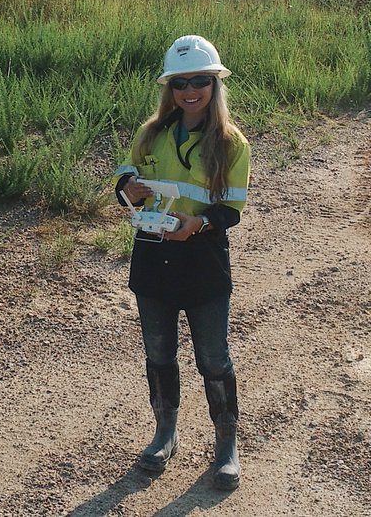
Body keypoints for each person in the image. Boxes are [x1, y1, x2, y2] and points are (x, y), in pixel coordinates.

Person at [114, 35, 250, 490]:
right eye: (180, 82)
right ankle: (165, 433)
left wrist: (200, 224)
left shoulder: (232, 144)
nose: (190, 90)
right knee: (158, 352)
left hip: (204, 264)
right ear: (169, 88)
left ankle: (225, 444)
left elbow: (231, 210)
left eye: (200, 81)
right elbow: (124, 178)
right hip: (153, 262)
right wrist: (127, 190)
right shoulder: (150, 133)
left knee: (213, 357)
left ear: (214, 84)